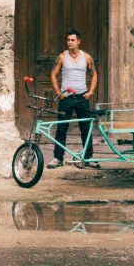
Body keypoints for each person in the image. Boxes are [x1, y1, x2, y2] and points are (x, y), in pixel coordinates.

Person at [46, 29, 99, 169]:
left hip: (82, 97)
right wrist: (58, 92)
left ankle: (88, 157)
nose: (70, 42)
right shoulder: (62, 57)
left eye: (72, 40)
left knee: (85, 128)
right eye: (68, 40)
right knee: (62, 128)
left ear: (78, 41)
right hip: (67, 98)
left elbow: (94, 75)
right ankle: (58, 158)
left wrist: (91, 92)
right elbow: (53, 74)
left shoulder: (86, 57)